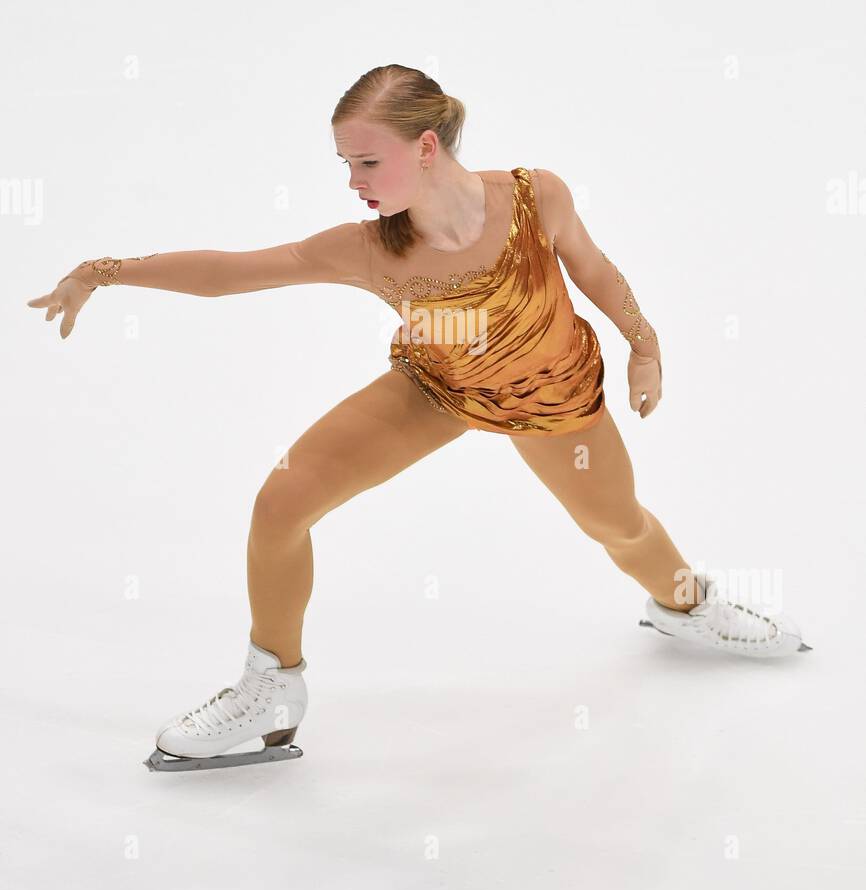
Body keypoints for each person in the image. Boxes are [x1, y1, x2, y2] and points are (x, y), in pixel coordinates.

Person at [27, 65, 810, 771]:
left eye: (367, 162)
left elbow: (594, 267)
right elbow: (235, 273)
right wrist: (103, 272)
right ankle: (271, 687)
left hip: (551, 396)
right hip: (436, 384)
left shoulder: (536, 196)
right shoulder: (370, 248)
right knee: (281, 504)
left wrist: (644, 343)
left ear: (427, 146)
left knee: (620, 528)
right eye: (345, 164)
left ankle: (685, 605)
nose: (353, 181)